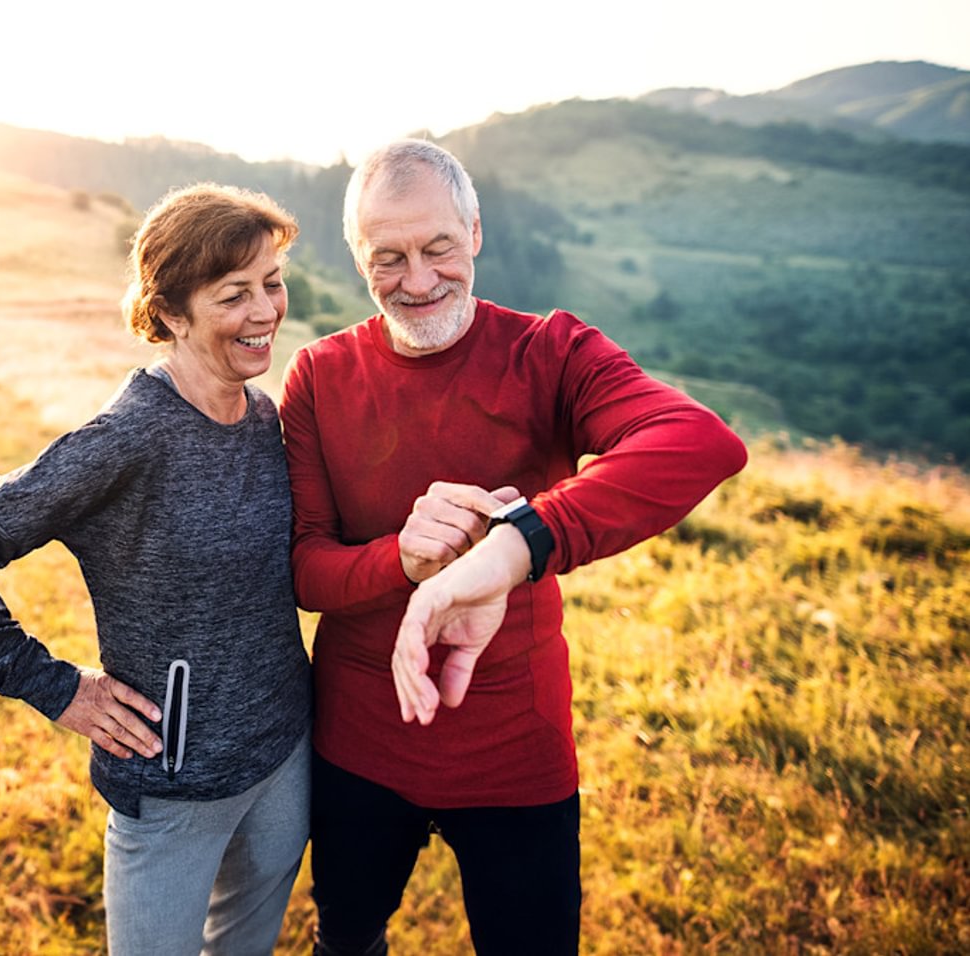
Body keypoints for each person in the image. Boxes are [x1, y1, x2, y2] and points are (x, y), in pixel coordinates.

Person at [280, 139, 748, 955]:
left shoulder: (551, 352)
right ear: (357, 258)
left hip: (515, 749)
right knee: (347, 937)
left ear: (476, 233)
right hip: (358, 740)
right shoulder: (319, 374)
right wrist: (404, 559)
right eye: (387, 258)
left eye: (438, 249)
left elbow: (697, 441)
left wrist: (518, 543)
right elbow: (307, 572)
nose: (418, 282)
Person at [0, 183, 313, 955]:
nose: (265, 312)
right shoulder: (122, 442)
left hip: (287, 761)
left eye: (272, 284)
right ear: (171, 315)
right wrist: (58, 689)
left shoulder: (264, 420)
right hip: (171, 789)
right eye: (233, 295)